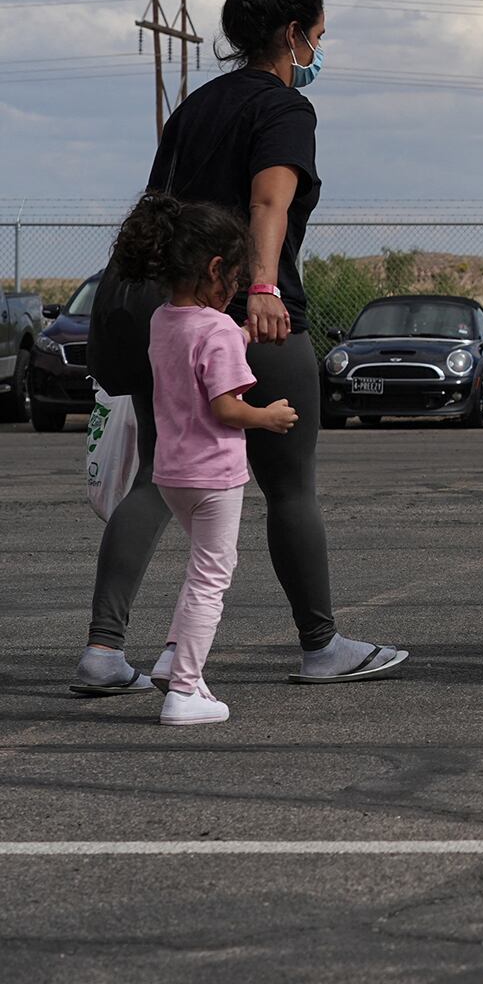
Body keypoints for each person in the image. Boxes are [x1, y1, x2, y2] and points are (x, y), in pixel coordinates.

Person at [70, 0, 407, 697]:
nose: (319, 51)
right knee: (291, 486)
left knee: (161, 476)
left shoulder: (196, 106)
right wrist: (261, 286)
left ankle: (102, 649)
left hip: (167, 312)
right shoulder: (284, 107)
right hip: (250, 316)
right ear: (292, 34)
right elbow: (267, 203)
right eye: (318, 36)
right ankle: (321, 643)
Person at [104, 193, 300, 724]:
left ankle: (174, 660)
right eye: (234, 277)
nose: (236, 288)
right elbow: (226, 407)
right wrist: (269, 417)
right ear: (215, 269)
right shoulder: (214, 329)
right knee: (213, 576)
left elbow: (197, 353)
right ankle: (184, 690)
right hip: (214, 475)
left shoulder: (165, 320)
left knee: (200, 570)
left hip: (172, 472)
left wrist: (234, 333)